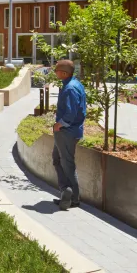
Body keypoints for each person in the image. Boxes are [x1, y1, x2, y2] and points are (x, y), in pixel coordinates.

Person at [52, 58, 86, 210]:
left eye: (57, 69)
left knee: (67, 163)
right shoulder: (74, 84)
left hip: (67, 131)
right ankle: (66, 191)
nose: (55, 72)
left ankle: (73, 198)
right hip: (68, 131)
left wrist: (59, 125)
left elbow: (70, 113)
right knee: (57, 159)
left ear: (64, 73)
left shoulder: (70, 88)